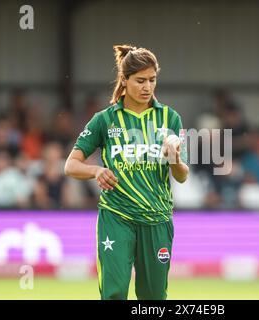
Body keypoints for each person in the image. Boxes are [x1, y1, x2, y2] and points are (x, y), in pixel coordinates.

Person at [64, 44, 189, 300]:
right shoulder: (105, 120)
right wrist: (96, 171)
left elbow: (182, 175)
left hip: (157, 218)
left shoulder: (170, 118)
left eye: (152, 80)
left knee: (153, 297)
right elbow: (71, 165)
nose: (147, 87)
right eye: (140, 80)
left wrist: (174, 158)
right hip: (117, 216)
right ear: (124, 80)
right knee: (115, 293)